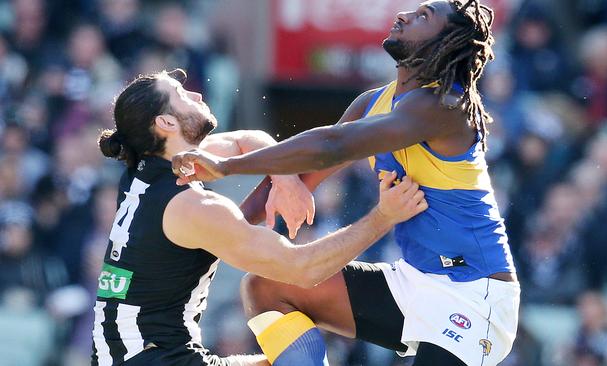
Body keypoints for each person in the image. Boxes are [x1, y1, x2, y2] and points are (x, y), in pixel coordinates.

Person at [172, 1, 520, 365]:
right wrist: (213, 239)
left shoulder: (446, 106)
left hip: (475, 295)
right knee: (267, 287)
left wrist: (228, 166)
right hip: (414, 282)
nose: (404, 16)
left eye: (423, 17)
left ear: (445, 41)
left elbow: (331, 145)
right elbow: (298, 181)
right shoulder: (372, 102)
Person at [91, 68, 428, 366]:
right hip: (156, 358)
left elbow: (243, 142)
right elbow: (303, 270)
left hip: (139, 354)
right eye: (180, 95)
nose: (194, 94)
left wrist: (284, 179)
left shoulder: (152, 166)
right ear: (166, 123)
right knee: (273, 294)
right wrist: (384, 216)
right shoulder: (193, 208)